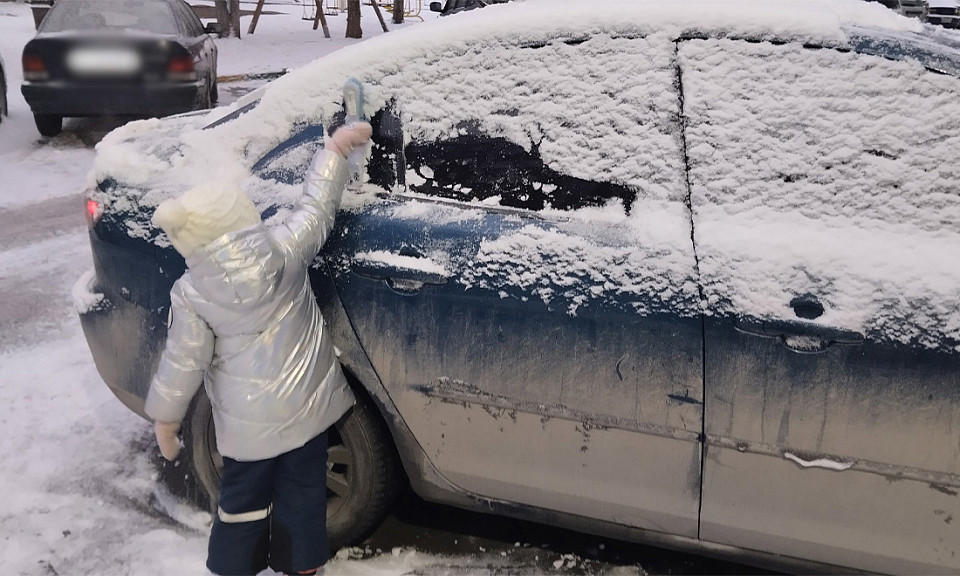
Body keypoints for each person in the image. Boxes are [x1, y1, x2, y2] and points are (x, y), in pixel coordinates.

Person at [144, 121, 373, 576]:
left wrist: (166, 419)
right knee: (304, 495)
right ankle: (303, 566)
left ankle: (235, 566)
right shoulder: (285, 249)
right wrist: (335, 150)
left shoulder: (191, 293)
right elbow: (317, 207)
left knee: (242, 504)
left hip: (247, 433)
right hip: (306, 413)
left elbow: (183, 361)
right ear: (243, 217)